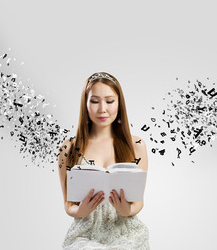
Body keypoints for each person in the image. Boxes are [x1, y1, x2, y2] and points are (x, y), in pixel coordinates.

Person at [57, 72, 149, 249]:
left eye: (109, 101)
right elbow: (68, 205)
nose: (102, 109)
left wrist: (126, 210)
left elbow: (138, 202)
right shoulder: (68, 148)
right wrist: (80, 211)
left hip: (126, 231)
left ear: (119, 104)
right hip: (85, 233)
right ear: (85, 104)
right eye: (94, 101)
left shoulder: (136, 145)